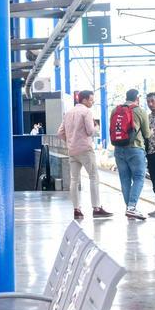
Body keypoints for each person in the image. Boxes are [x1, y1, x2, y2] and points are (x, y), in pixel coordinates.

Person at [57, 90, 111, 219]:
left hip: (72, 151)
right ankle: (96, 208)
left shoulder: (68, 113)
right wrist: (96, 127)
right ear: (85, 100)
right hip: (85, 150)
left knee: (74, 180)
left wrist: (70, 141)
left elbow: (60, 133)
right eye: (91, 100)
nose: (92, 102)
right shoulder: (86, 112)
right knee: (93, 177)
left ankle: (76, 209)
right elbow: (90, 131)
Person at [111, 89, 151, 221]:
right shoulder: (140, 111)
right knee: (139, 177)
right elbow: (146, 134)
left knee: (125, 179)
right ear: (137, 98)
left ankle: (129, 208)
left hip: (118, 148)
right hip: (135, 149)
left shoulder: (115, 110)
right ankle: (132, 208)